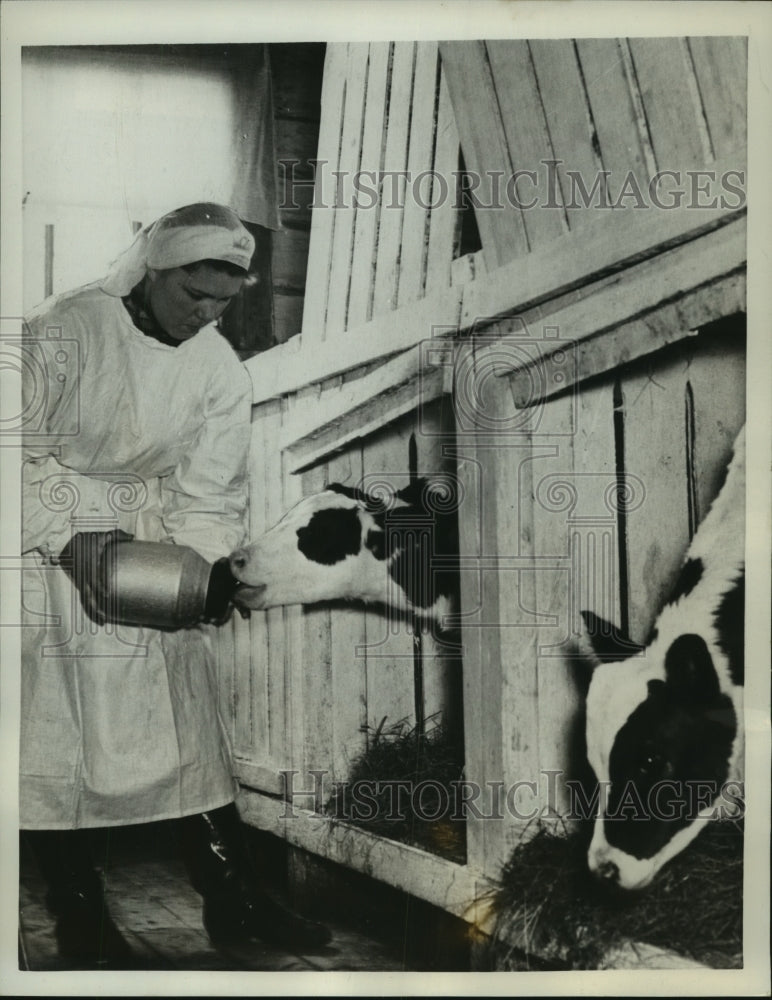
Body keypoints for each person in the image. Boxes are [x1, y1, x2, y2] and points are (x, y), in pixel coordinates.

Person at [20, 203, 330, 968]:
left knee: (190, 728)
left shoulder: (217, 368)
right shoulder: (68, 329)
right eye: (195, 294)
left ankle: (236, 898)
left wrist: (192, 573)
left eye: (224, 300)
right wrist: (69, 541)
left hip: (146, 548)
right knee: (59, 737)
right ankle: (80, 920)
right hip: (45, 541)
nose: (208, 313)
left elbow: (209, 494)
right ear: (153, 273)